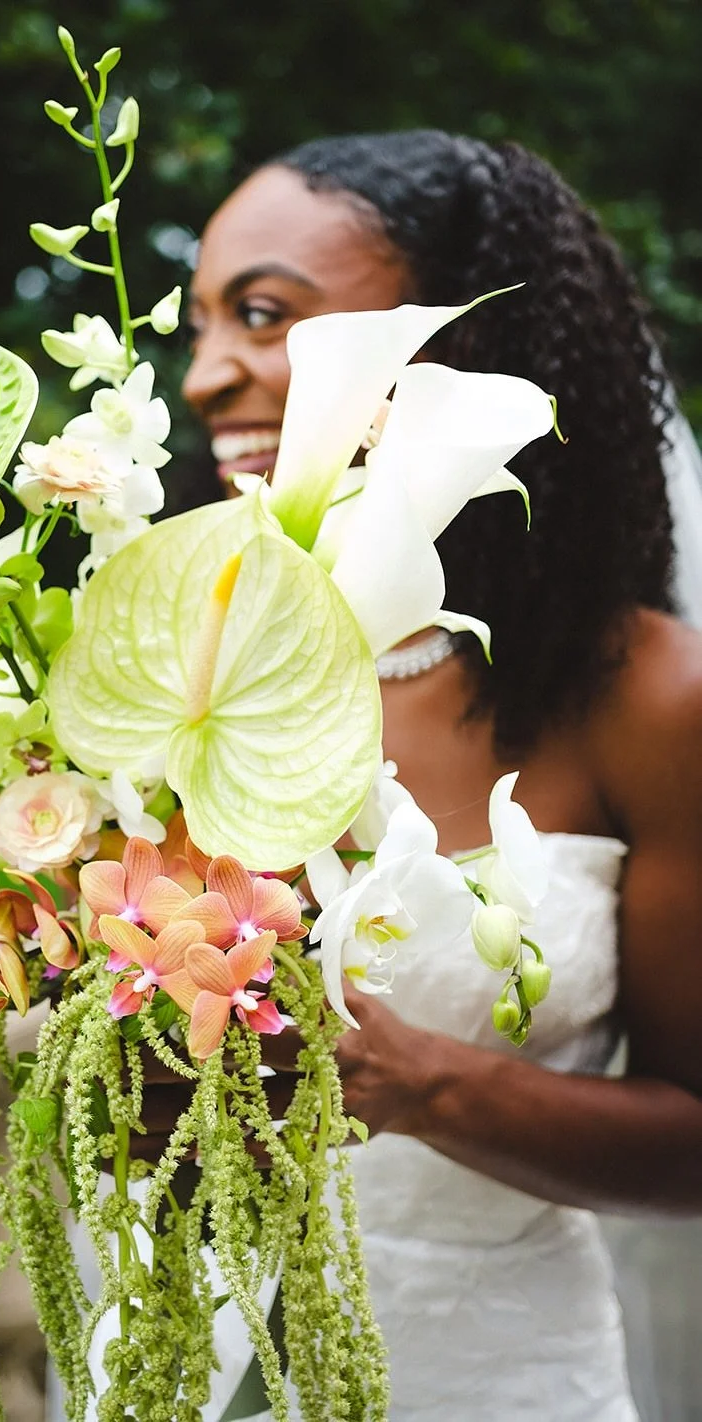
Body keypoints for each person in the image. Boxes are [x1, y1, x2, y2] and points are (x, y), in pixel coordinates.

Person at [169, 131, 702, 1420]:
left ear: (453, 343)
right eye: (199, 322)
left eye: (265, 316)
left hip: (487, 1375)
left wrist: (429, 1085)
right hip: (169, 1357)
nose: (204, 376)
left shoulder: (648, 701)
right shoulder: (179, 655)